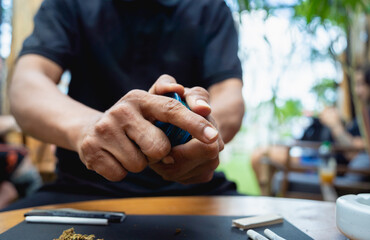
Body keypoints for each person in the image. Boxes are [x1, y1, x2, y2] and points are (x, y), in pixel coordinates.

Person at [5, 0, 244, 210]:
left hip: (198, 191)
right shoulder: (69, 3)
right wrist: (87, 127)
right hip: (83, 190)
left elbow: (229, 99)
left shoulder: (209, 7)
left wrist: (202, 130)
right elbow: (27, 84)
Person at [251, 63, 370, 190]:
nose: (357, 91)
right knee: (260, 155)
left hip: (325, 165)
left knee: (261, 155)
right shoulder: (363, 115)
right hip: (320, 157)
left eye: (361, 84)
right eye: (356, 85)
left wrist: (335, 125)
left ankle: (267, 199)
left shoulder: (369, 117)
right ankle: (269, 199)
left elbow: (356, 152)